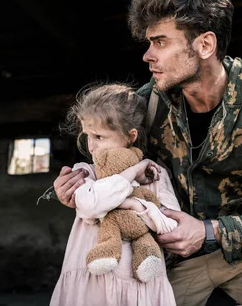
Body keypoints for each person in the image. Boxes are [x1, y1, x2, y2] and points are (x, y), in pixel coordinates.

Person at [53, 0, 242, 306]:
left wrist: (209, 232)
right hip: (173, 257)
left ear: (205, 45)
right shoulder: (147, 106)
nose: (147, 55)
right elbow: (102, 148)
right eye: (149, 43)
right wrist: (81, 184)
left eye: (161, 42)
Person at [50, 82, 181, 306]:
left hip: (141, 287)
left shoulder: (156, 176)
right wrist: (133, 172)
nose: (91, 146)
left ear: (130, 136)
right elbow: (91, 205)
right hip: (91, 285)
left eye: (99, 137)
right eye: (87, 136)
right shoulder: (84, 172)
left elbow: (171, 226)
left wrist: (136, 206)